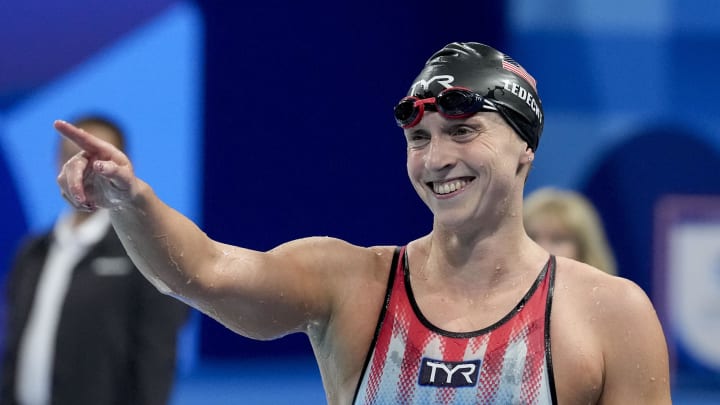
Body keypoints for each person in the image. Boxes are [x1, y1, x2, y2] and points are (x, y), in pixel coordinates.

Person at [53, 43, 671, 404]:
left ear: (524, 147)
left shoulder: (608, 313)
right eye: (419, 138)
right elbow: (206, 272)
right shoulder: (354, 284)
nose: (437, 159)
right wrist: (131, 200)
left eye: (462, 132)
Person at [1, 115, 189, 405]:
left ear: (122, 168)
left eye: (94, 162)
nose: (82, 173)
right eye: (69, 159)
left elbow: (157, 357)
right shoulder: (32, 252)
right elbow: (15, 348)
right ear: (56, 165)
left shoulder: (145, 255)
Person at [524, 187, 618, 275]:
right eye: (531, 238)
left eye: (557, 239)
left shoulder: (610, 291)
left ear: (583, 250)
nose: (542, 248)